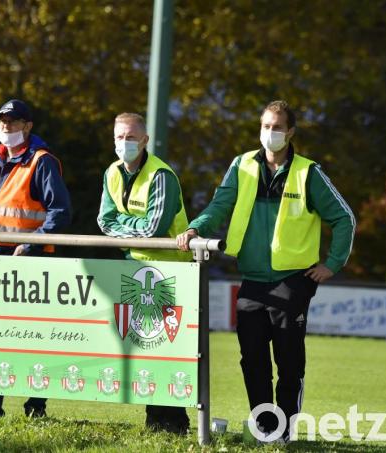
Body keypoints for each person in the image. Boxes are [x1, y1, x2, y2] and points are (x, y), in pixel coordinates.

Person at [176, 100, 356, 442]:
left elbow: (344, 218)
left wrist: (332, 264)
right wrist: (197, 228)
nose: (269, 133)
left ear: (290, 132)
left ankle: (285, 431)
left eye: (276, 127)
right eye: (265, 126)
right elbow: (220, 206)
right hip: (253, 280)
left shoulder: (308, 172)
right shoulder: (242, 165)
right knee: (252, 360)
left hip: (293, 280)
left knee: (288, 362)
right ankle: (265, 428)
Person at [0, 99, 72, 418]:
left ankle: (36, 407)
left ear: (28, 126)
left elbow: (60, 212)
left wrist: (31, 244)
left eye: (13, 121)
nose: (6, 126)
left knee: (33, 338)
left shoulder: (42, 161)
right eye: (2, 120)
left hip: (29, 262)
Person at [96, 112, 193, 434]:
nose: (125, 143)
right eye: (119, 137)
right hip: (134, 266)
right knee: (144, 349)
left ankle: (174, 423)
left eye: (131, 137)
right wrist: (132, 231)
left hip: (171, 269)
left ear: (145, 140)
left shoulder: (161, 174)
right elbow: (104, 221)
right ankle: (155, 422)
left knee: (167, 349)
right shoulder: (112, 172)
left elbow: (156, 228)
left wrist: (125, 229)